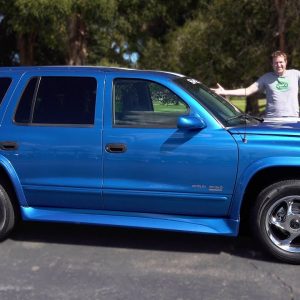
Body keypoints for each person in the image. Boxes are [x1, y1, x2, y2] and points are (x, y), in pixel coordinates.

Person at [212, 51, 300, 118]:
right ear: (272, 64)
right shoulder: (266, 78)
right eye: (276, 63)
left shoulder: (295, 74)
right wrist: (225, 92)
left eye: (281, 62)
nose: (278, 65)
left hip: (292, 119)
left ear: (286, 62)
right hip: (272, 120)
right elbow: (247, 91)